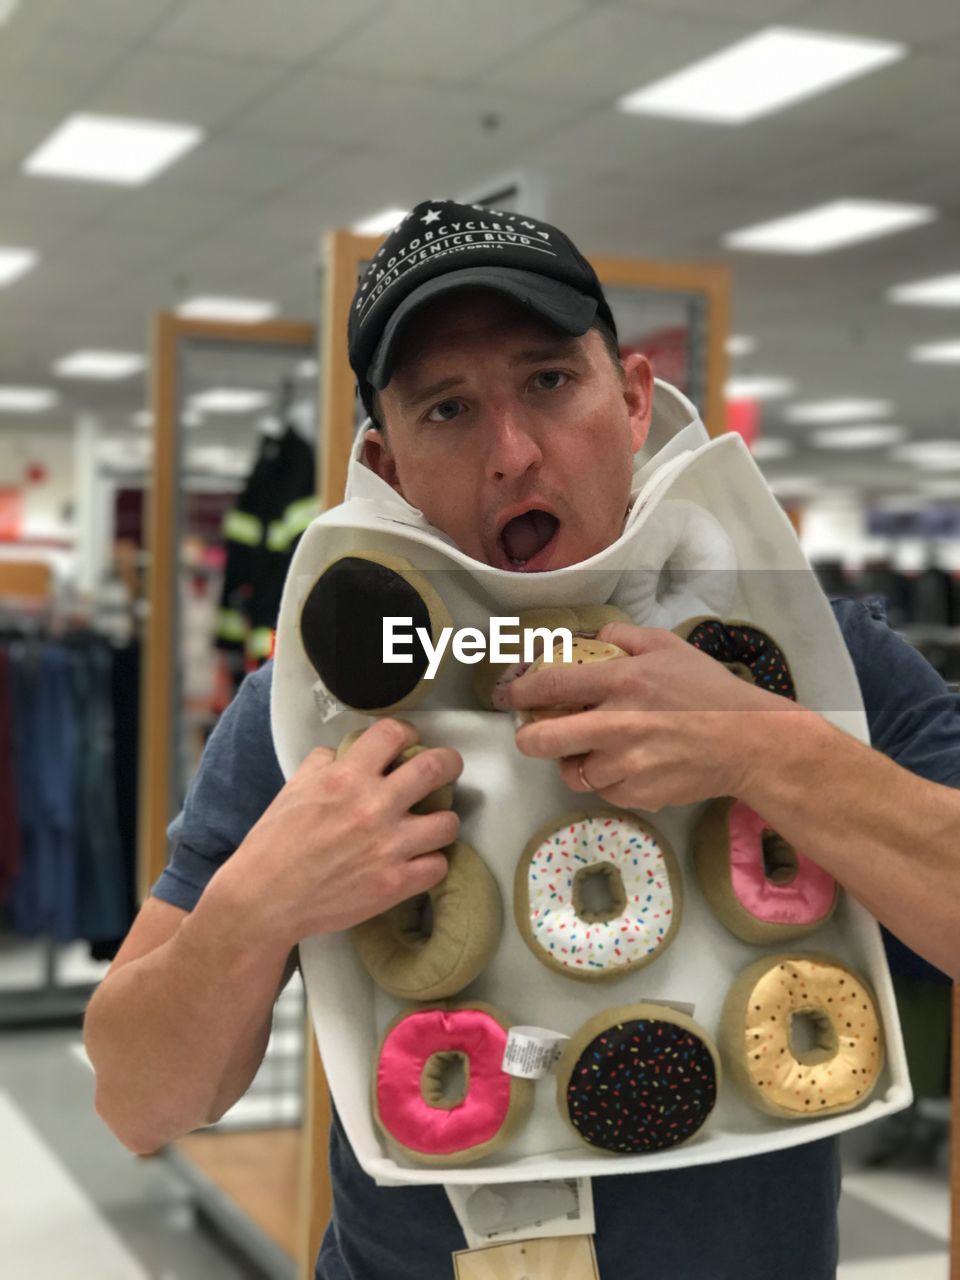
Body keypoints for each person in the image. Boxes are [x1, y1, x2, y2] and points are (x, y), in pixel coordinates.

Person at [85, 200, 960, 1280]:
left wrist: (766, 748)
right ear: (387, 463)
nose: (511, 452)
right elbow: (136, 1101)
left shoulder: (814, 655)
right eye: (447, 409)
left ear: (634, 398)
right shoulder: (312, 714)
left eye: (550, 381)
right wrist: (256, 908)